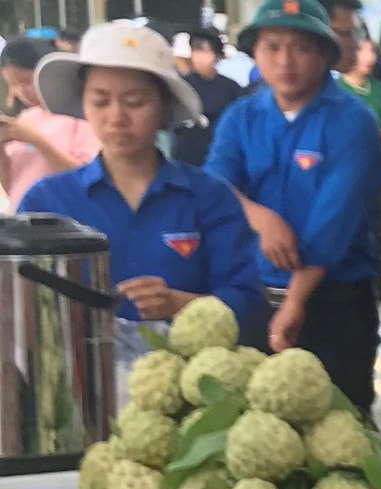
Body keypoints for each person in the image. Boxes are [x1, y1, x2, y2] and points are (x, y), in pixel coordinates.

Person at [206, 0, 381, 408]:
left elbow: (332, 221)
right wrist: (258, 217)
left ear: (325, 53)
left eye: (301, 48)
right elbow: (215, 186)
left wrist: (295, 301)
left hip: (333, 304)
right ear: (255, 53)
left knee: (339, 427)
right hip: (254, 298)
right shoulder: (241, 117)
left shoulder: (352, 120)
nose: (285, 61)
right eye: (272, 47)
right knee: (259, 430)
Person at [19, 21, 260, 328]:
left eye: (135, 102)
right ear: (84, 105)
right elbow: (20, 301)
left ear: (164, 108)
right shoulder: (47, 202)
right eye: (101, 101)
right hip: (83, 373)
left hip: (186, 373)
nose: (116, 117)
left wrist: (183, 305)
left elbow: (248, 300)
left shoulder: (208, 197)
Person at [0, 36, 99, 202]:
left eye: (26, 81)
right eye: (14, 85)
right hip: (24, 220)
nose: (22, 92)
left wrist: (34, 139)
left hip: (61, 222)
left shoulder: (78, 115)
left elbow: (86, 178)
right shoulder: (26, 118)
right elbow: (13, 186)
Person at [173, 26, 245, 167]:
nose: (200, 58)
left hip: (220, 155)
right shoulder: (182, 85)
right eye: (196, 51)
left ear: (216, 54)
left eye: (206, 52)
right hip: (185, 158)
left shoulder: (231, 88)